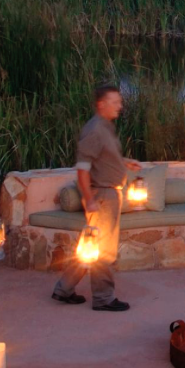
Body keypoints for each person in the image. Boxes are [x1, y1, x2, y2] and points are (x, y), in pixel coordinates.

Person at [54, 82, 137, 312]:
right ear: (101, 104)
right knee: (104, 250)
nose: (119, 106)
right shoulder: (94, 130)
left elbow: (103, 157)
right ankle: (103, 298)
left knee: (89, 246)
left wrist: (124, 163)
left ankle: (63, 288)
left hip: (107, 194)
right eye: (115, 102)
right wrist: (89, 198)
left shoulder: (105, 127)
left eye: (119, 101)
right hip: (103, 197)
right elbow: (83, 169)